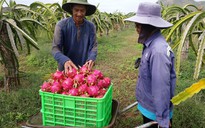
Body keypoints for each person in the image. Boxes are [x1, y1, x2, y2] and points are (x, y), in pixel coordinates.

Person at [125, 2, 176, 128]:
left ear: (149, 26)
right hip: (149, 106)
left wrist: (163, 119)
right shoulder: (151, 44)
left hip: (155, 112)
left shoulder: (158, 51)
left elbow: (161, 88)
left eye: (139, 25)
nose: (136, 28)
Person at [52, 0, 97, 74]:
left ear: (86, 11)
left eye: (82, 10)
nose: (79, 14)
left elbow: (93, 46)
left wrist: (92, 58)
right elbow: (55, 48)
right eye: (76, 10)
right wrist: (64, 60)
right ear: (71, 9)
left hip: (84, 69)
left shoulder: (91, 27)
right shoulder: (61, 25)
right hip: (65, 69)